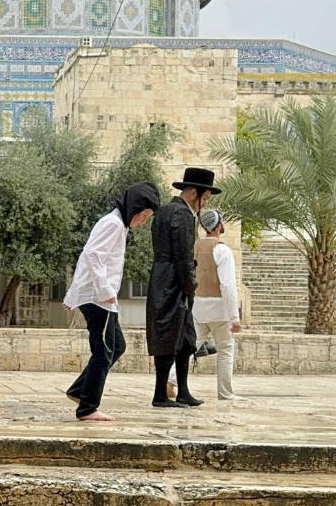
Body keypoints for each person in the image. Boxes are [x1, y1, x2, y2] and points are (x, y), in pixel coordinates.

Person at [63, 181, 161, 421]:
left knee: (117, 346)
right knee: (104, 351)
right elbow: (93, 255)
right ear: (135, 208)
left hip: (102, 297)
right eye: (144, 215)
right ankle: (87, 407)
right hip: (99, 298)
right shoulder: (114, 224)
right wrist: (104, 289)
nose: (143, 221)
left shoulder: (118, 224)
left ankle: (79, 391)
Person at [147, 167, 220, 409]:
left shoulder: (165, 212)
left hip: (163, 278)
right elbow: (183, 256)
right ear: (192, 193)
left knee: (185, 338)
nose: (204, 204)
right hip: (173, 283)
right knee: (170, 336)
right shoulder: (183, 216)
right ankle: (160, 394)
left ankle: (183, 391)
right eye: (205, 198)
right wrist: (190, 285)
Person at [192, 209, 243, 400]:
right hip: (219, 308)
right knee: (225, 350)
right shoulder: (222, 250)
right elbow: (228, 286)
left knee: (191, 347)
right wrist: (234, 318)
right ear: (219, 225)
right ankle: (225, 392)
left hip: (197, 305)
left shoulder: (194, 247)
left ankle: (171, 381)